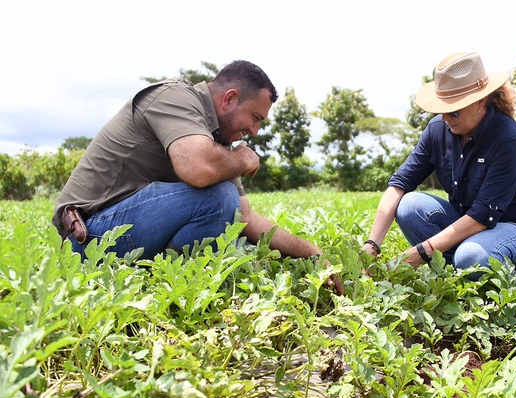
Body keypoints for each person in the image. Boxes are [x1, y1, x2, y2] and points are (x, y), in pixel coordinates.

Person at [52, 59, 341, 293]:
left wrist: (312, 254)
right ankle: (165, 281)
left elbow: (246, 217)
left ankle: (158, 276)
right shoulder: (174, 97)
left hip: (127, 231)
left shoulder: (217, 144)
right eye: (255, 118)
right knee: (219, 199)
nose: (255, 131)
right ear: (229, 99)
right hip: (90, 236)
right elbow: (198, 169)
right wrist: (241, 159)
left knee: (237, 239)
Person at [362, 52, 516, 279]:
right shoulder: (438, 129)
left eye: (454, 111)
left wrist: (422, 252)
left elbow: (481, 217)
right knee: (408, 205)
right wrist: (372, 245)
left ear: (481, 101)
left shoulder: (507, 138)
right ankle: (457, 273)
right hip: (468, 226)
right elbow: (400, 184)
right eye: (442, 109)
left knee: (472, 257)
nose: (446, 118)